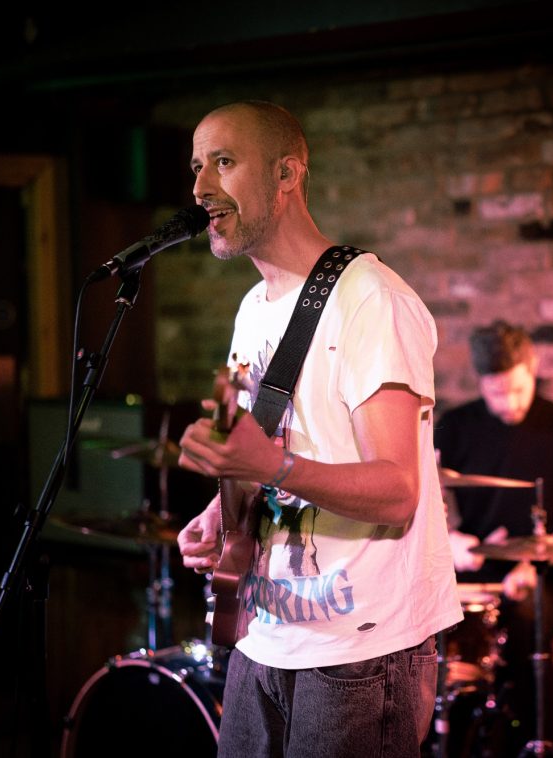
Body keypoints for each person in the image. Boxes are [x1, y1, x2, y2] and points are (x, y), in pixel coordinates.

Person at [175, 101, 461, 757]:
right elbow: (280, 450)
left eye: (223, 162)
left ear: (286, 174)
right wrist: (221, 516)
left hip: (361, 650)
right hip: (264, 633)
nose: (199, 190)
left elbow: (397, 490)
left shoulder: (371, 301)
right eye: (196, 168)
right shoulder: (253, 310)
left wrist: (271, 469)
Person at [434, 321, 553, 749]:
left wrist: (534, 563)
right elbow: (424, 500)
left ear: (533, 367)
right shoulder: (455, 426)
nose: (507, 403)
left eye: (516, 389)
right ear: (480, 382)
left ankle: (526, 741)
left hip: (543, 573)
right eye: (495, 393)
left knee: (527, 624)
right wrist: (449, 540)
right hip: (474, 566)